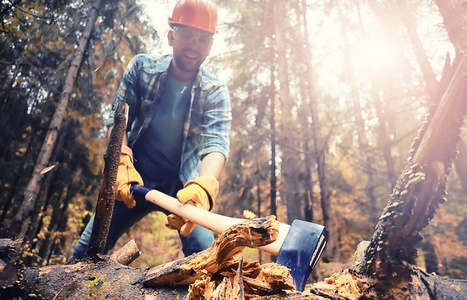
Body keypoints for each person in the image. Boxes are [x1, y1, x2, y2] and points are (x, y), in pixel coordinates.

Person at [72, 0, 231, 259]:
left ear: (211, 46)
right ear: (170, 36)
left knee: (204, 256)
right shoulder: (141, 68)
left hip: (182, 188)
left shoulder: (216, 91)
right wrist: (120, 161)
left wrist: (204, 187)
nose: (194, 46)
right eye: (187, 35)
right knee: (85, 252)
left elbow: (216, 144)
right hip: (133, 178)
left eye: (203, 39)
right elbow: (118, 119)